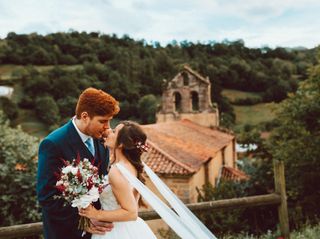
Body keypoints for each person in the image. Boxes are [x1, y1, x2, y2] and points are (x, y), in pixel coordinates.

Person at [36, 87, 120, 239]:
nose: (108, 127)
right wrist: (84, 220)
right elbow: (46, 197)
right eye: (103, 121)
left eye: (109, 121)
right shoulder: (53, 144)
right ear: (85, 116)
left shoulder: (101, 139)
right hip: (66, 233)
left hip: (100, 234)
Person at [79, 121, 157, 239]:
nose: (109, 131)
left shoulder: (117, 171)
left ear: (121, 144)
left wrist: (96, 214)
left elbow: (131, 212)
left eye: (114, 132)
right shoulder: (130, 165)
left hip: (115, 232)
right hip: (131, 229)